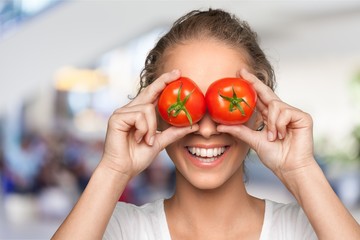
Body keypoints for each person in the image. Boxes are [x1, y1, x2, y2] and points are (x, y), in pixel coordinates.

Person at [52, 9, 360, 240]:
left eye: (228, 102)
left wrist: (301, 169)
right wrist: (113, 170)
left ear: (259, 112)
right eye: (182, 102)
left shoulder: (308, 230)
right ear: (155, 112)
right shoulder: (118, 228)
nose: (207, 129)